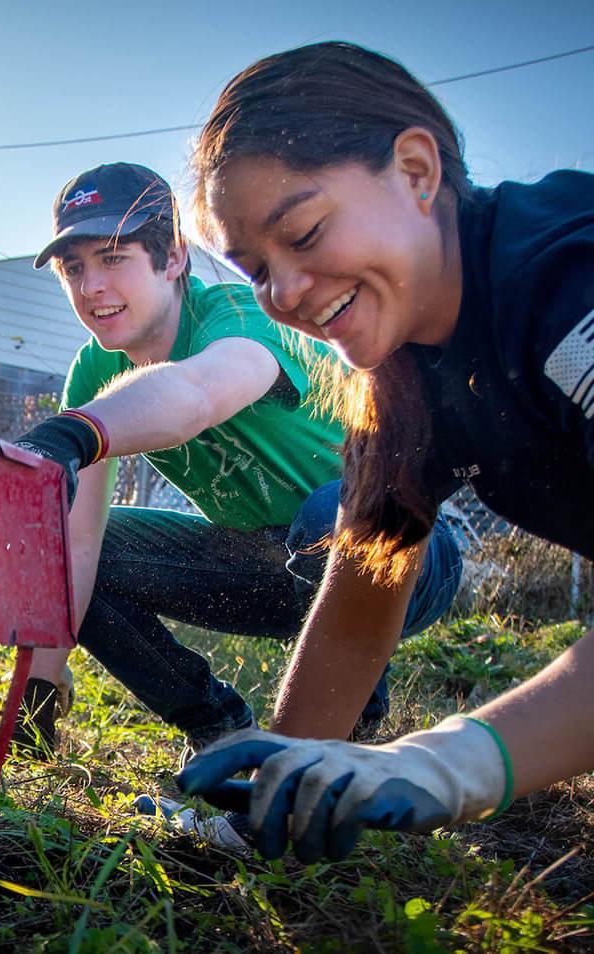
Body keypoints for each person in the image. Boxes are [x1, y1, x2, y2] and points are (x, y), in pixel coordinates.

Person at [176, 40, 594, 863]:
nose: (285, 294)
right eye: (255, 269)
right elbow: (357, 618)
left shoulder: (564, 283)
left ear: (415, 170)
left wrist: (448, 764)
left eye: (303, 232)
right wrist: (270, 802)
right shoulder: (402, 381)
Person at [0, 162, 462, 758]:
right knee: (72, 549)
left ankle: (343, 732)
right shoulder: (93, 371)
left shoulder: (240, 315)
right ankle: (219, 729)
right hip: (261, 563)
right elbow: (80, 548)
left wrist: (72, 434)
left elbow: (195, 394)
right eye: (74, 268)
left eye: (113, 259)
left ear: (173, 260)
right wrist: (35, 691)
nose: (90, 287)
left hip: (397, 547)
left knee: (331, 515)